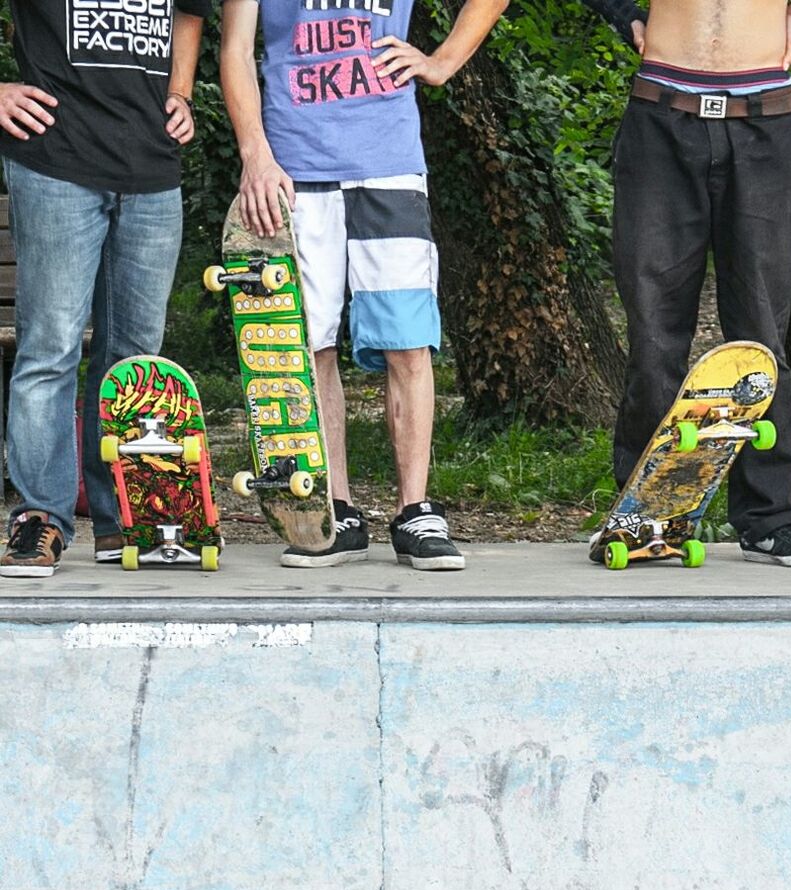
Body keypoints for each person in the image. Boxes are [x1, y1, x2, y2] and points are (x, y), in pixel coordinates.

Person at [220, 0, 507, 570]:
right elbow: (234, 51)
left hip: (390, 161)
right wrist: (256, 156)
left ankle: (416, 510)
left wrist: (443, 60)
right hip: (294, 169)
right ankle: (336, 510)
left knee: (407, 339)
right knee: (310, 345)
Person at [582, 0, 791, 567]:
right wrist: (623, 12)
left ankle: (770, 520)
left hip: (765, 122)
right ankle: (644, 515)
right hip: (661, 119)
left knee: (761, 337)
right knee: (654, 332)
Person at [0, 0, 206, 578]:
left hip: (151, 167)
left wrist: (182, 91)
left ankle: (122, 514)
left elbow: (191, 11)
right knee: (50, 350)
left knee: (136, 360)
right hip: (55, 161)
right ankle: (41, 517)